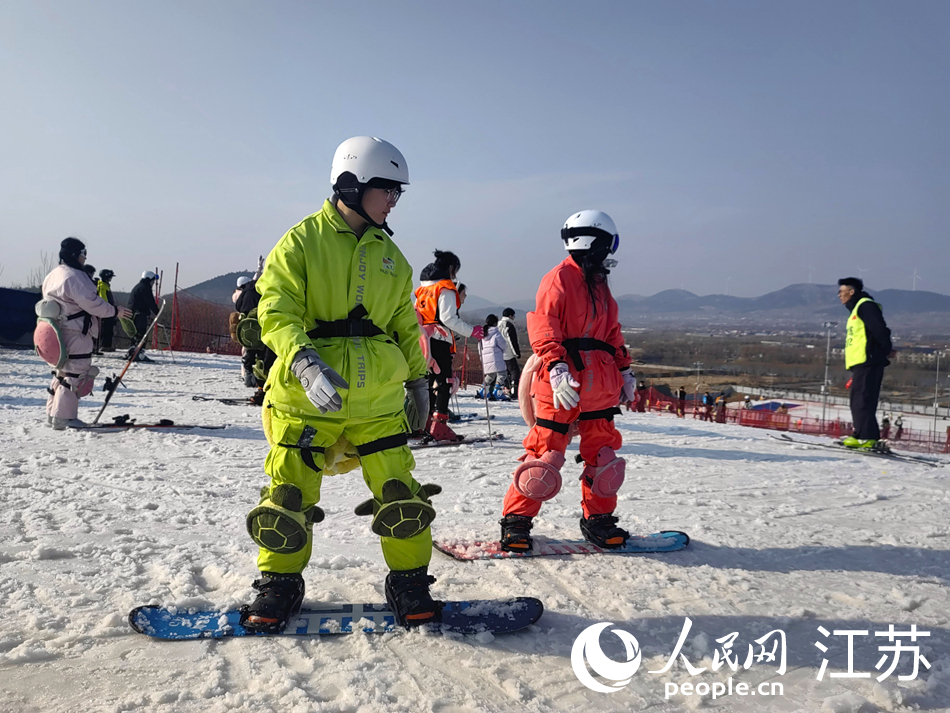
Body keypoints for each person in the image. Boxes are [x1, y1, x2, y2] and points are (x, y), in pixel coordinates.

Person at [241, 136, 440, 633]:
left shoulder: (391, 256)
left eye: (398, 192)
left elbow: (402, 322)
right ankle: (279, 584)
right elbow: (275, 309)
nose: (394, 200)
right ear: (352, 184)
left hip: (377, 402)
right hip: (306, 401)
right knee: (288, 498)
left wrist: (418, 381)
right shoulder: (301, 242)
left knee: (401, 495)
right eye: (388, 189)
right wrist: (304, 361)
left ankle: (410, 582)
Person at [499, 209, 635, 552]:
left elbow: (612, 333)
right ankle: (516, 522)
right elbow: (543, 323)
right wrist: (557, 365)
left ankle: (598, 520)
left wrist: (624, 369)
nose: (610, 253)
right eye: (609, 244)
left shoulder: (600, 285)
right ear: (596, 241)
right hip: (561, 384)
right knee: (545, 457)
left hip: (600, 387)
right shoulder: (559, 278)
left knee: (604, 459)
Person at [37, 238, 131, 429]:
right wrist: (115, 311)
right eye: (83, 253)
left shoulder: (54, 274)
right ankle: (65, 417)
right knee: (75, 371)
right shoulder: (75, 277)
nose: (84, 257)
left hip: (57, 331)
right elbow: (93, 303)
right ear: (75, 255)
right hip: (75, 331)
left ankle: (53, 414)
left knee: (60, 372)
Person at [415, 250, 483, 441]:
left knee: (427, 381)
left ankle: (424, 422)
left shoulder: (424, 289)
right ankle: (440, 426)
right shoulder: (445, 288)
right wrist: (471, 331)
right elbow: (448, 318)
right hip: (439, 338)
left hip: (423, 339)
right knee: (445, 382)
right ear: (451, 268)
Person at [838, 277, 894, 449]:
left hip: (869, 360)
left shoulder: (865, 305)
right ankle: (860, 433)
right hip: (861, 361)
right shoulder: (856, 308)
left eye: (842, 291)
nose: (839, 295)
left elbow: (879, 329)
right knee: (857, 399)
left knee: (864, 398)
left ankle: (868, 436)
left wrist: (884, 350)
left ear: (852, 292)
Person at [127, 271, 160, 361]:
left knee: (135, 334)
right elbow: (150, 301)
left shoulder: (139, 286)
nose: (153, 283)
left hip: (134, 313)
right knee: (141, 334)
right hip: (139, 315)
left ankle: (132, 351)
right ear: (148, 279)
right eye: (153, 281)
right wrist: (157, 312)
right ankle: (138, 353)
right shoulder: (145, 288)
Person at [479, 314, 508, 400]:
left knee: (490, 375)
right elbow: (504, 345)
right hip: (496, 358)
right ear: (495, 323)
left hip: (485, 359)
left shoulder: (482, 335)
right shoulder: (496, 334)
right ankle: (497, 392)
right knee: (502, 374)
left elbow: (479, 347)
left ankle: (483, 390)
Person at [497, 308, 522, 396]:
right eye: (513, 316)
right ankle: (514, 390)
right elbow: (512, 341)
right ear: (510, 316)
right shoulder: (509, 325)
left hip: (498, 352)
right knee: (514, 371)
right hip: (508, 352)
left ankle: (505, 388)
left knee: (503, 371)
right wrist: (517, 353)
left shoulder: (497, 324)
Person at [96, 269, 117, 352]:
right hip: (106, 311)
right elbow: (103, 298)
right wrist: (107, 308)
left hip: (108, 310)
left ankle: (107, 344)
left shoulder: (105, 285)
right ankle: (105, 345)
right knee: (106, 328)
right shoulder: (102, 285)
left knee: (109, 328)